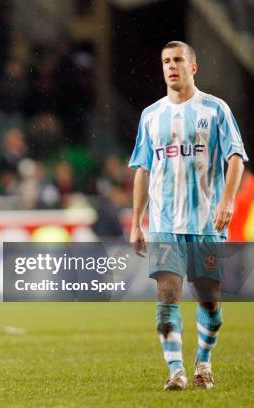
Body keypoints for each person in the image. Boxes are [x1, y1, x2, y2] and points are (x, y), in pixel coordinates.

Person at [129, 41, 248, 391]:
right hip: (165, 223)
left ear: (192, 67)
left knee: (209, 299)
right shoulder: (151, 115)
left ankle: (204, 362)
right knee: (167, 295)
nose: (171, 66)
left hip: (206, 223)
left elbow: (236, 158)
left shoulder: (215, 109)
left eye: (178, 60)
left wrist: (227, 201)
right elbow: (142, 169)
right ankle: (176, 370)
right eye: (166, 61)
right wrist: (137, 220)